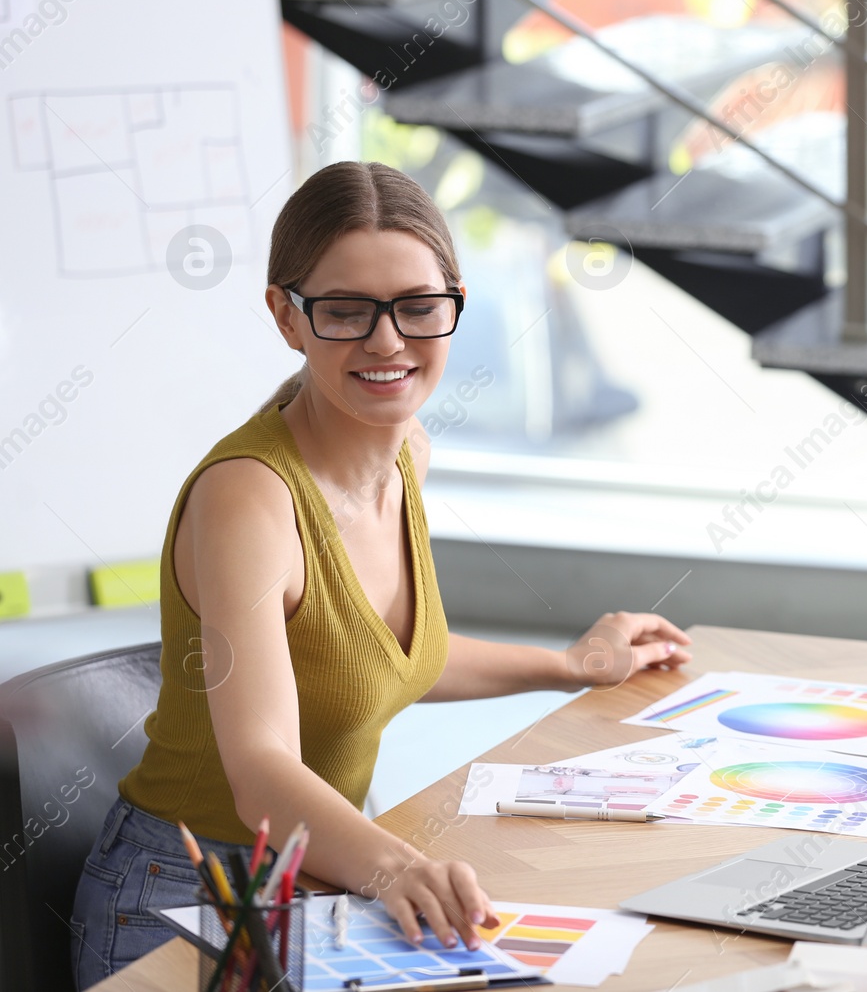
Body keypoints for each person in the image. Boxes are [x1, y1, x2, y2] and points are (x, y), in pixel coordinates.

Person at [68, 161, 692, 989]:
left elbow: (384, 658)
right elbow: (261, 770)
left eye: (418, 306)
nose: (388, 340)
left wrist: (571, 665)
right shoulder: (248, 501)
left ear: (454, 303)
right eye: (346, 310)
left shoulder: (406, 457)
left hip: (319, 872)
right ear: (287, 317)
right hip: (190, 894)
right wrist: (397, 869)